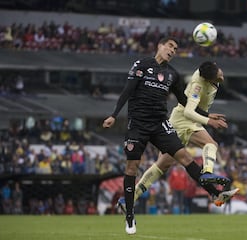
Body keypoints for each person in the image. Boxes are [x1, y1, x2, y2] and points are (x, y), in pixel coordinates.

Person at [102, 37, 232, 235]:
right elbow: (127, 90)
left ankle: (215, 193)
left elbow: (184, 100)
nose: (172, 50)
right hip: (138, 124)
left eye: (175, 48)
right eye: (169, 46)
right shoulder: (142, 65)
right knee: (133, 167)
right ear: (159, 46)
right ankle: (129, 214)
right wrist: (113, 115)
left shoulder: (173, 74)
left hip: (160, 124)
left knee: (183, 158)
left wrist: (207, 115)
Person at [131, 61, 239, 207]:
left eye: (219, 71)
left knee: (162, 165)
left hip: (189, 120)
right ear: (209, 80)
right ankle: (207, 173)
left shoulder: (209, 72)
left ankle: (130, 198)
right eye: (217, 76)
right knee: (211, 144)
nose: (221, 74)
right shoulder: (198, 85)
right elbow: (188, 111)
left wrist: (207, 114)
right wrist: (209, 121)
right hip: (183, 120)